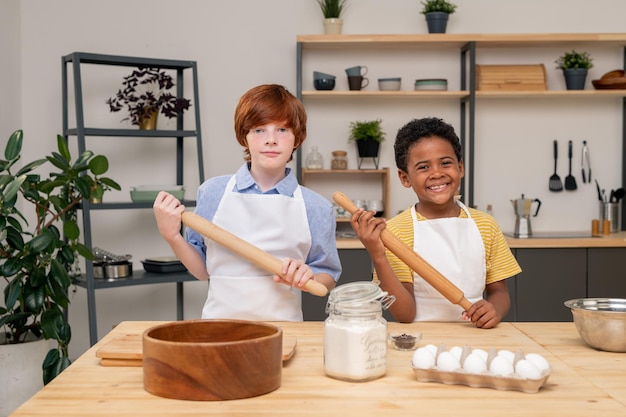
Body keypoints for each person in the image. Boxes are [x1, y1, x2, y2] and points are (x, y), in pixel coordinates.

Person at [153, 84, 341, 321]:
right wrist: (172, 236)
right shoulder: (213, 192)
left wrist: (308, 277)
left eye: (282, 129)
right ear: (244, 137)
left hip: (285, 329)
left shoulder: (316, 206)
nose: (271, 140)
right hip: (219, 327)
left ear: (297, 138)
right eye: (259, 130)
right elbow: (202, 271)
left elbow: (327, 275)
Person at [350, 117, 521, 328]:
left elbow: (500, 292)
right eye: (423, 167)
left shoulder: (486, 225)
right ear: (405, 178)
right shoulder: (395, 231)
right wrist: (378, 255)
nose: (437, 173)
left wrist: (493, 309)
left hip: (476, 335)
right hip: (420, 339)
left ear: (460, 167)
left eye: (446, 163)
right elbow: (405, 314)